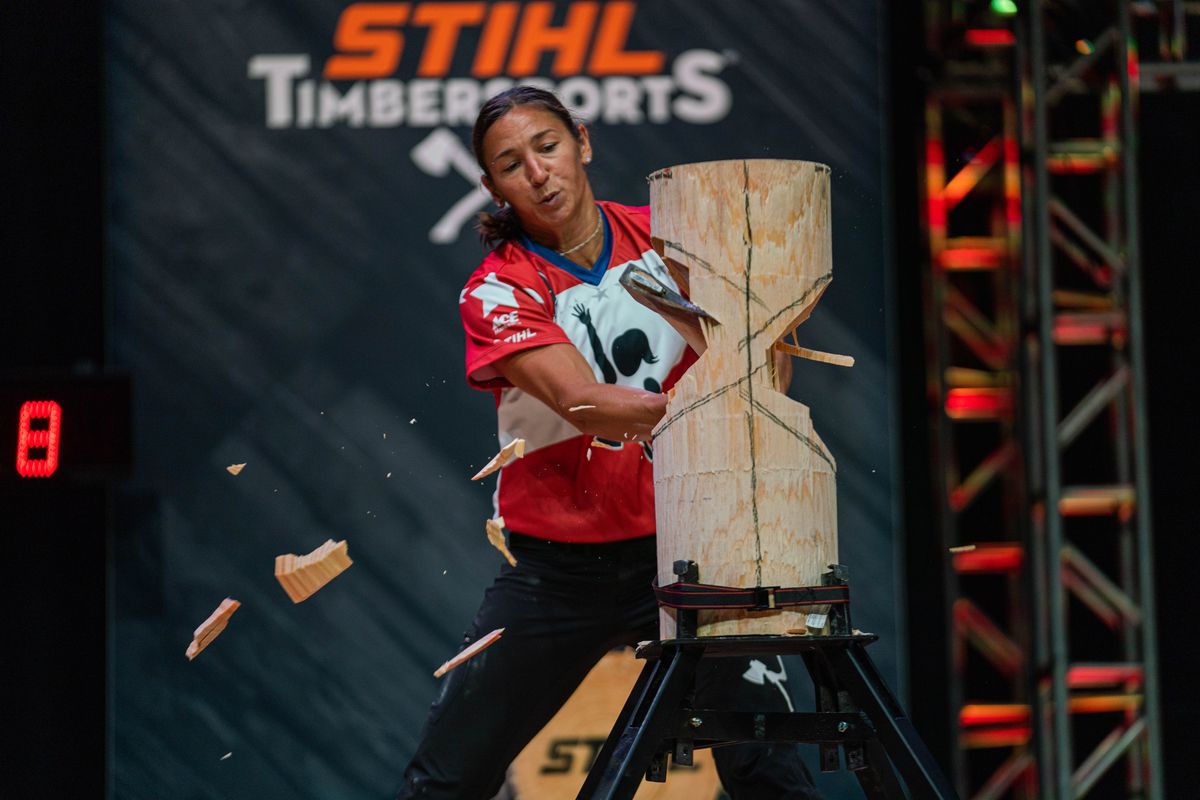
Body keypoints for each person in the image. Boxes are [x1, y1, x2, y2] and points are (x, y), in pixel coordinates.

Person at [395, 86, 818, 800]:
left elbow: (771, 351)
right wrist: (727, 401)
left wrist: (766, 342)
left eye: (548, 146)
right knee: (446, 777)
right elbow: (585, 404)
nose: (537, 173)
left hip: (695, 555)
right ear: (490, 186)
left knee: (767, 766)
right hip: (560, 574)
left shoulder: (679, 238)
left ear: (583, 142)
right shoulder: (496, 289)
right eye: (510, 163)